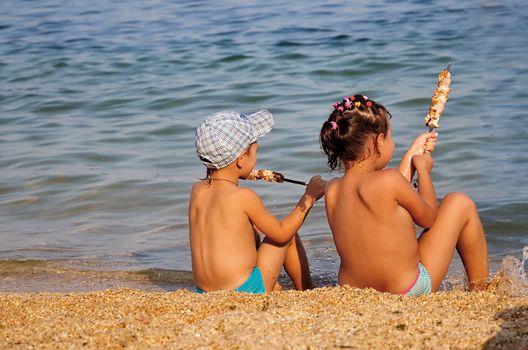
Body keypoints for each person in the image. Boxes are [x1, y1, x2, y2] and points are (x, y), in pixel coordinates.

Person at [319, 94, 488, 296]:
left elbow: (385, 198)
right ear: (379, 141)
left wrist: (412, 152)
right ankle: (481, 291)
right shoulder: (389, 180)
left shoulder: (332, 190)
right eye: (390, 135)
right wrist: (423, 170)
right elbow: (429, 218)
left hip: (356, 294)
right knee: (460, 203)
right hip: (406, 290)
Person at [189, 110, 326, 294]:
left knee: (250, 232)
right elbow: (281, 234)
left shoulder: (197, 191)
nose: (256, 157)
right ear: (242, 160)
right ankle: (307, 292)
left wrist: (237, 175)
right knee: (288, 235)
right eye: (255, 151)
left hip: (204, 292)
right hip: (246, 290)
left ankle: (278, 287)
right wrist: (309, 198)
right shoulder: (243, 196)